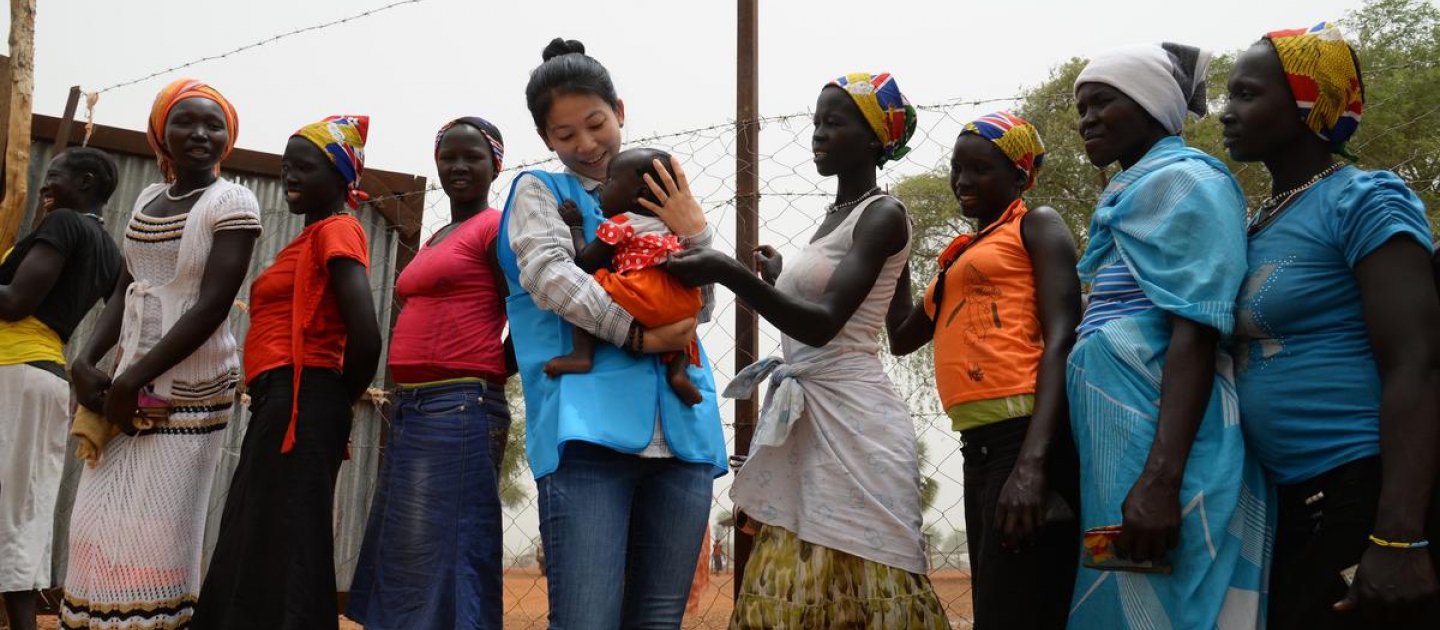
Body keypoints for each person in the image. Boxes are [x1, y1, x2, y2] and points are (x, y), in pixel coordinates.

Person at [666, 71, 948, 629]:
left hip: (854, 422)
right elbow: (878, 318)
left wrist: (727, 271)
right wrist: (777, 278)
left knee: (863, 570)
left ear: (873, 139)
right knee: (797, 564)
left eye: (833, 122)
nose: (817, 134)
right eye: (816, 122)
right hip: (813, 417)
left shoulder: (884, 215)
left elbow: (825, 327)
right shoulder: (836, 220)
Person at [497, 37, 727, 628]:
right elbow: (551, 279)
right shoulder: (540, 192)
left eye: (596, 123)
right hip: (587, 437)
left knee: (657, 619)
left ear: (619, 111)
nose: (586, 144)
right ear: (546, 139)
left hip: (683, 439)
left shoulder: (661, 190)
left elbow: (700, 307)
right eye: (565, 134)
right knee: (587, 619)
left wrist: (698, 233)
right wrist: (636, 337)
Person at [1223, 22, 1440, 629]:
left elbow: (1415, 362)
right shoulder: (1258, 222)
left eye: (1246, 95)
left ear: (1304, 105)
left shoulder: (1365, 201)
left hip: (1359, 489)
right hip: (1282, 500)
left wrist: (1398, 536)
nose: (1227, 112)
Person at [1064, 45, 1270, 629]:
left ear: (1152, 104)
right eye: (1081, 108)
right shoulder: (1136, 189)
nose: (1087, 120)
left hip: (1168, 441)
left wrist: (1160, 481)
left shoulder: (1188, 182)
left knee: (1169, 600)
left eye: (1102, 102)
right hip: (1123, 433)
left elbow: (1198, 329)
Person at [62, 78, 261, 630]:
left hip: (191, 391)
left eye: (212, 124)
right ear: (161, 133)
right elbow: (128, 286)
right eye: (185, 122)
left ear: (228, 137)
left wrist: (131, 379)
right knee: (94, 523)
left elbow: (212, 305)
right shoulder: (149, 200)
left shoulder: (234, 202)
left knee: (159, 531)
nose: (200, 133)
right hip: (131, 381)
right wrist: (88, 360)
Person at [888, 111, 1081, 629]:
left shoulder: (1035, 225)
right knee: (1002, 606)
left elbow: (1065, 334)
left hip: (1025, 439)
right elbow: (902, 337)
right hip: (982, 448)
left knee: (1016, 609)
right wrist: (896, 251)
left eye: (980, 170)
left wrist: (1033, 466)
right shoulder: (959, 259)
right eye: (956, 168)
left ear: (1019, 178)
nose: (962, 181)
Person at [193, 115, 380, 630]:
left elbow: (366, 335)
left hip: (303, 396)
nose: (290, 177)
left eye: (304, 167)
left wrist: (334, 398)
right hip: (283, 397)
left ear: (342, 177)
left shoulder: (338, 229)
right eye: (285, 168)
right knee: (263, 531)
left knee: (289, 537)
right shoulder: (310, 238)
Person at [347, 116, 516, 630]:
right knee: (409, 550)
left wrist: (486, 369)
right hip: (415, 408)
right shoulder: (442, 234)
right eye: (448, 157)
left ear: (495, 166)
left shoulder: (496, 228)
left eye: (472, 157)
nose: (458, 166)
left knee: (449, 549)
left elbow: (531, 318)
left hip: (459, 406)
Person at [0, 148, 122, 630]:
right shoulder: (109, 249)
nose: (45, 185)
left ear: (87, 182)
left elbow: (15, 302)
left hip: (15, 369)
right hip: (40, 378)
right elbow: (122, 313)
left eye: (54, 176)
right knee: (22, 510)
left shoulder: (65, 223)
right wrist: (86, 362)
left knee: (14, 512)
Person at [546, 147, 704, 405]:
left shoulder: (621, 223)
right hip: (682, 298)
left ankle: (581, 355)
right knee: (684, 335)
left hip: (642, 291)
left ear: (638, 195)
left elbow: (585, 260)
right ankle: (678, 372)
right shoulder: (671, 225)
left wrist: (575, 225)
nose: (601, 189)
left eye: (609, 181)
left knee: (584, 289)